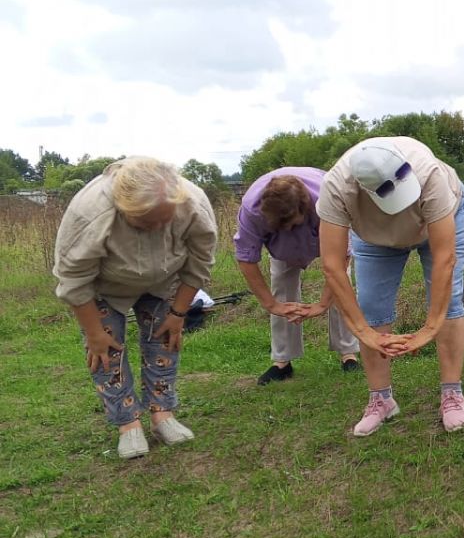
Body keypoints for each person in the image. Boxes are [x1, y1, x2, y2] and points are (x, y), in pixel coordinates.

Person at [53, 157, 217, 459]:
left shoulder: (193, 203)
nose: (157, 228)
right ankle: (128, 424)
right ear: (123, 208)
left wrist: (179, 313)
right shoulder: (89, 213)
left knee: (165, 342)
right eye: (146, 223)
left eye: (163, 220)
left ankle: (162, 415)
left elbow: (201, 260)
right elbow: (73, 278)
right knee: (105, 351)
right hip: (106, 286)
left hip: (165, 279)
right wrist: (94, 333)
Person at [317, 137, 464, 435]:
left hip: (439, 221)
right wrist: (364, 332)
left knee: (449, 301)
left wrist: (429, 328)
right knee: (372, 308)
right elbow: (333, 266)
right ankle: (381, 399)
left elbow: (445, 259)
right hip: (373, 236)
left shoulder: (430, 174)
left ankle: (452, 394)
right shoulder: (337, 187)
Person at [233, 167, 360, 385]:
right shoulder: (251, 210)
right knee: (281, 288)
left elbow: (340, 259)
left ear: (304, 208)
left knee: (342, 285)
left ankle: (348, 353)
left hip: (324, 235)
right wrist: (271, 305)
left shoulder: (326, 198)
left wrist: (322, 304)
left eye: (290, 223)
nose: (286, 229)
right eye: (279, 225)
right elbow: (246, 258)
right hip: (281, 251)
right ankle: (282, 361)